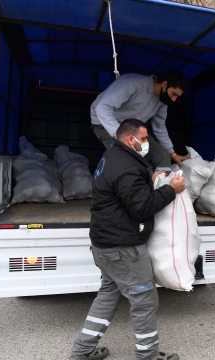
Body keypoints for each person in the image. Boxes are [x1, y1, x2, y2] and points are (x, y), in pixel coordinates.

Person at [70, 119, 185, 360]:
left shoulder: (112, 156)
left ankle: (82, 351)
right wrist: (170, 190)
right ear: (130, 139)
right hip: (124, 248)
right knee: (144, 302)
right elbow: (141, 208)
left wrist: (148, 179)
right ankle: (148, 356)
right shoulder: (127, 166)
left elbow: (125, 189)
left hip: (104, 244)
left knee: (108, 295)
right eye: (143, 139)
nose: (146, 144)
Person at [90, 70, 191, 171]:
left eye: (177, 96)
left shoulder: (163, 100)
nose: (174, 99)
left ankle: (162, 185)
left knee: (162, 156)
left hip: (131, 127)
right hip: (104, 121)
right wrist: (122, 137)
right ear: (164, 84)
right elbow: (102, 108)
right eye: (174, 94)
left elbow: (159, 127)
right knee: (128, 159)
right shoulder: (133, 83)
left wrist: (172, 154)